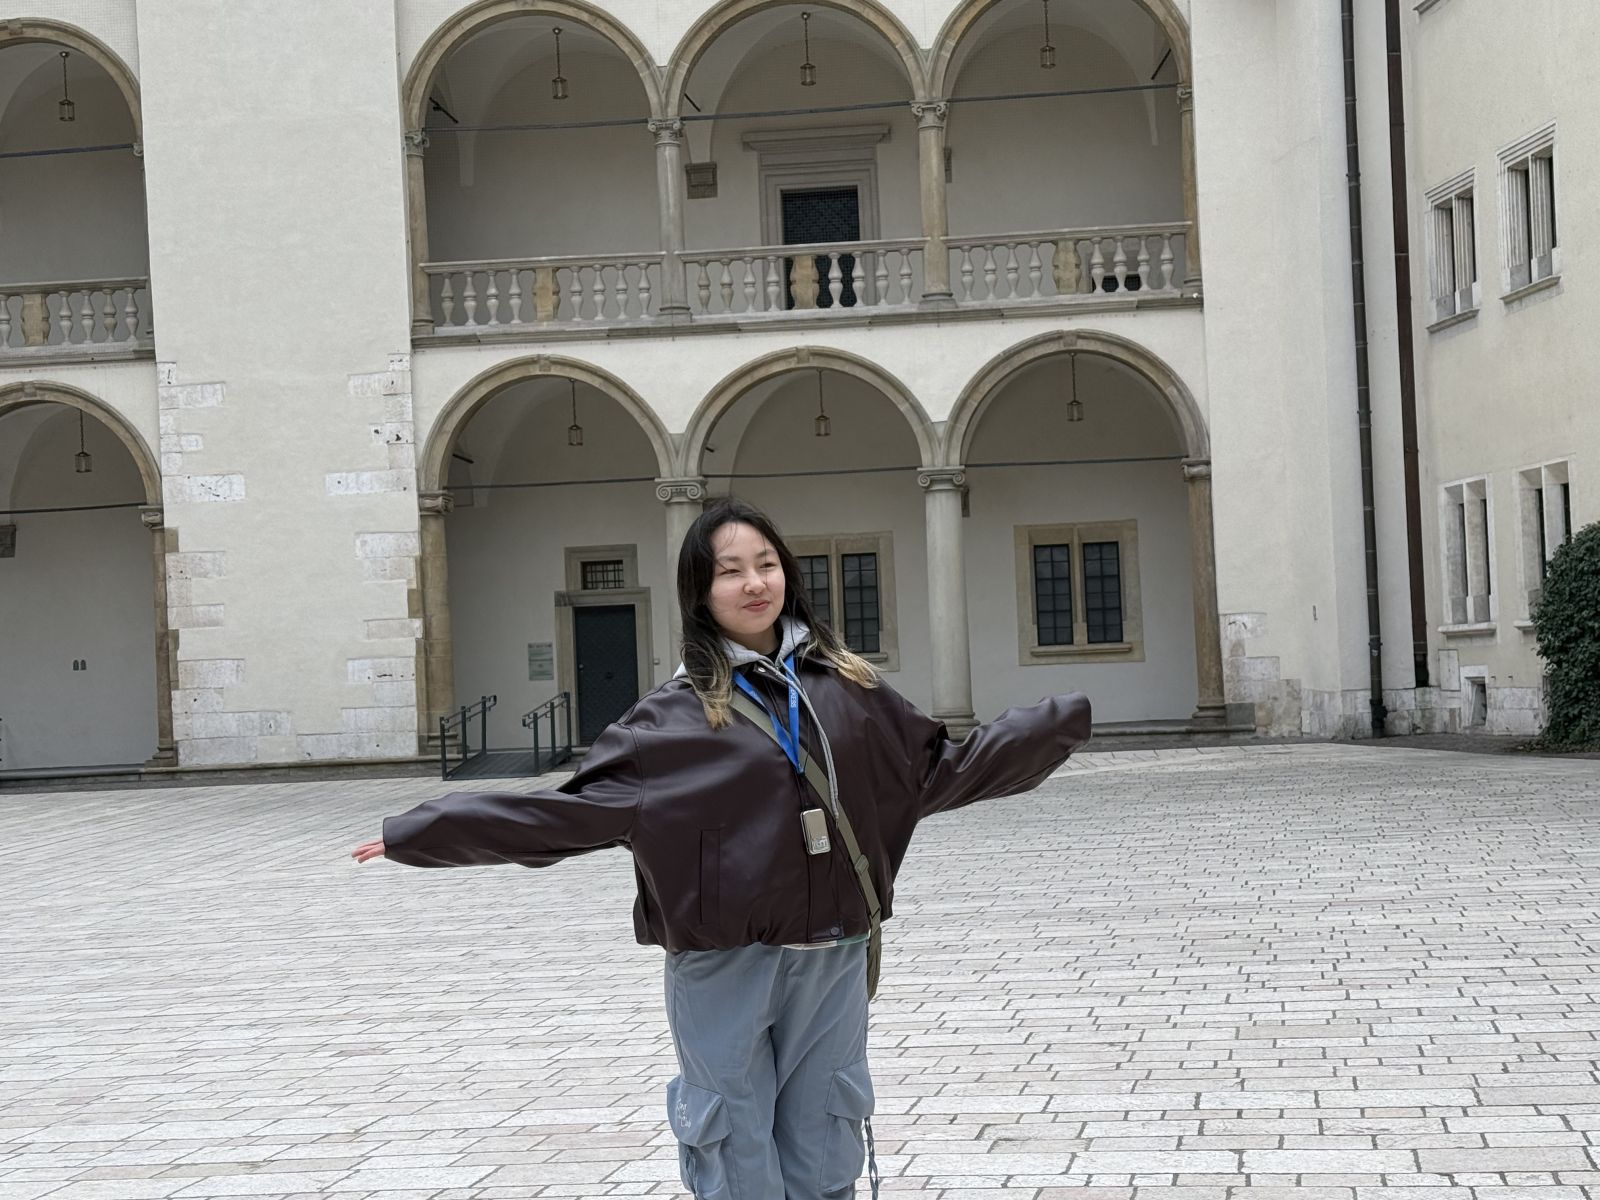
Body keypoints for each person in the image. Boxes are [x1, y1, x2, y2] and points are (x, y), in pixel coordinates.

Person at [351, 497, 1091, 1199]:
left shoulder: (850, 692)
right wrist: (421, 832)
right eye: (730, 570)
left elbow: (939, 772)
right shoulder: (665, 724)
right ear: (700, 593)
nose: (754, 583)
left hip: (831, 958)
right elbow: (561, 817)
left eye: (766, 564)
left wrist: (1057, 724)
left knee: (825, 1142)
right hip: (723, 967)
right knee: (733, 1147)